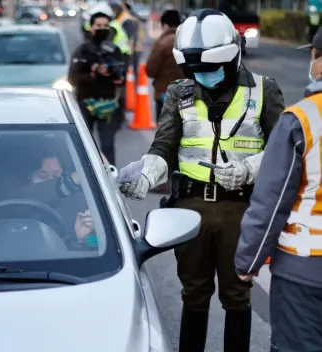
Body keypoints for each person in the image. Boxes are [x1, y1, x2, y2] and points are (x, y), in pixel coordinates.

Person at [118, 9, 285, 352]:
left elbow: (283, 150)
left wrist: (249, 168)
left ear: (233, 56)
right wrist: (149, 173)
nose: (204, 76)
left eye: (211, 69)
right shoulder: (180, 91)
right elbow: (164, 145)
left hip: (240, 208)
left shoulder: (264, 91)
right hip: (190, 208)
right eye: (196, 70)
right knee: (193, 294)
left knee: (237, 295)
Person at [234, 28, 322, 352]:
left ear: (318, 59)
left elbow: (272, 201)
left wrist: (248, 261)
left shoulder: (303, 118)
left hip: (306, 271)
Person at [68, 11, 125, 165]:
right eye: (98, 25)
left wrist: (117, 77)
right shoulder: (82, 50)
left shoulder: (114, 50)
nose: (102, 29)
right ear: (91, 27)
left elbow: (122, 78)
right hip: (85, 103)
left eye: (105, 25)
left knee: (107, 146)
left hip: (108, 105)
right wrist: (93, 73)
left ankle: (111, 180)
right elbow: (72, 78)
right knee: (85, 145)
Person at [146, 9, 184, 123]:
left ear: (165, 25)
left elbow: (150, 70)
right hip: (187, 94)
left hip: (165, 94)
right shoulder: (188, 41)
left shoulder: (162, 43)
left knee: (164, 133)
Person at [124, 2, 145, 79]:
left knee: (132, 62)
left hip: (134, 44)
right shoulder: (136, 20)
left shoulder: (129, 19)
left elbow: (133, 35)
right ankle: (135, 75)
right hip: (136, 44)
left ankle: (133, 76)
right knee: (135, 62)